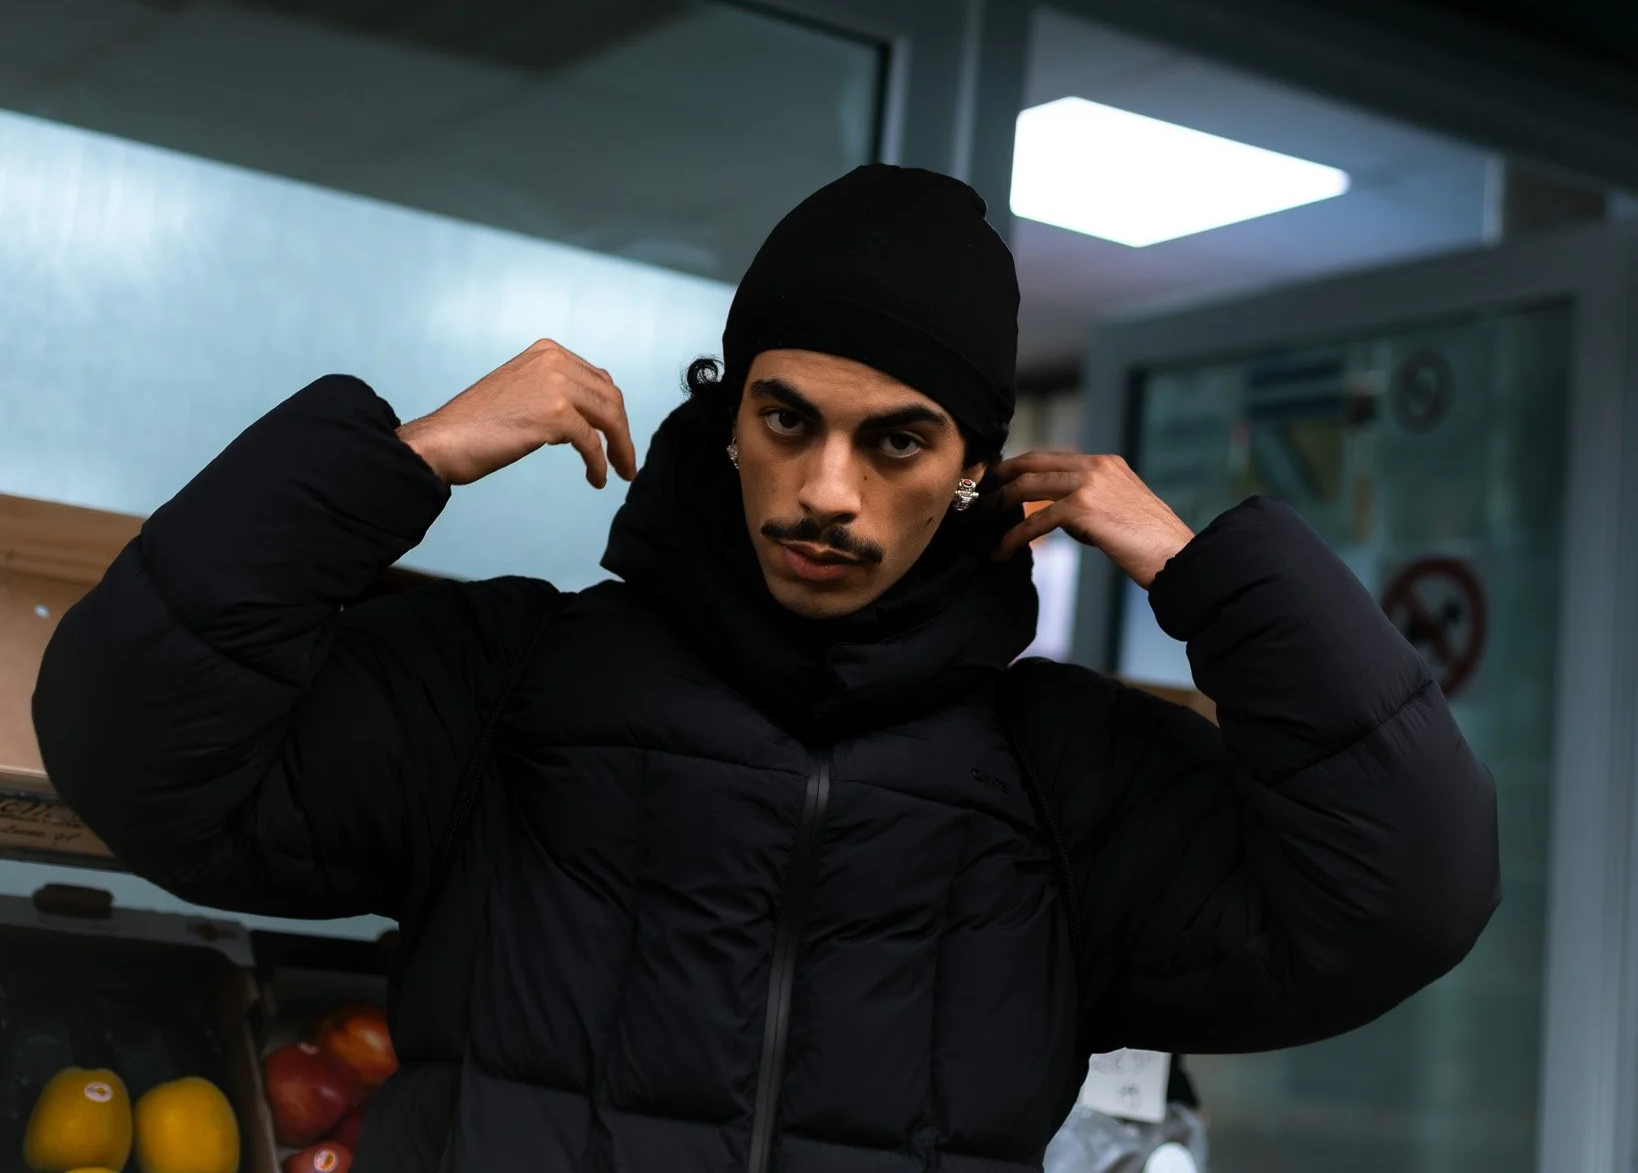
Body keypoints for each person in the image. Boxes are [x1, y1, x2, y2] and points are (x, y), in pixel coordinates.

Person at [36, 166, 1499, 1173]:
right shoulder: (514, 687)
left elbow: (1404, 894)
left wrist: (1205, 572)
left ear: (976, 468)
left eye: (895, 441)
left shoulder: (1067, 781)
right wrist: (403, 460)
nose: (825, 492)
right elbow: (131, 740)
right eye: (786, 419)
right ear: (727, 416)